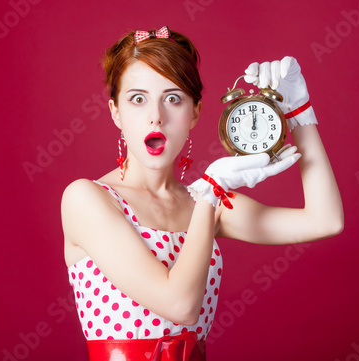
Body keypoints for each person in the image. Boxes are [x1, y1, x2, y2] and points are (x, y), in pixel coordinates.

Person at [61, 26, 343, 361]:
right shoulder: (87, 198)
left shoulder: (204, 201)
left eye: (173, 98)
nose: (156, 117)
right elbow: (180, 305)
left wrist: (299, 112)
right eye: (138, 99)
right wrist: (211, 193)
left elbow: (325, 220)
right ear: (115, 112)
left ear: (194, 113)